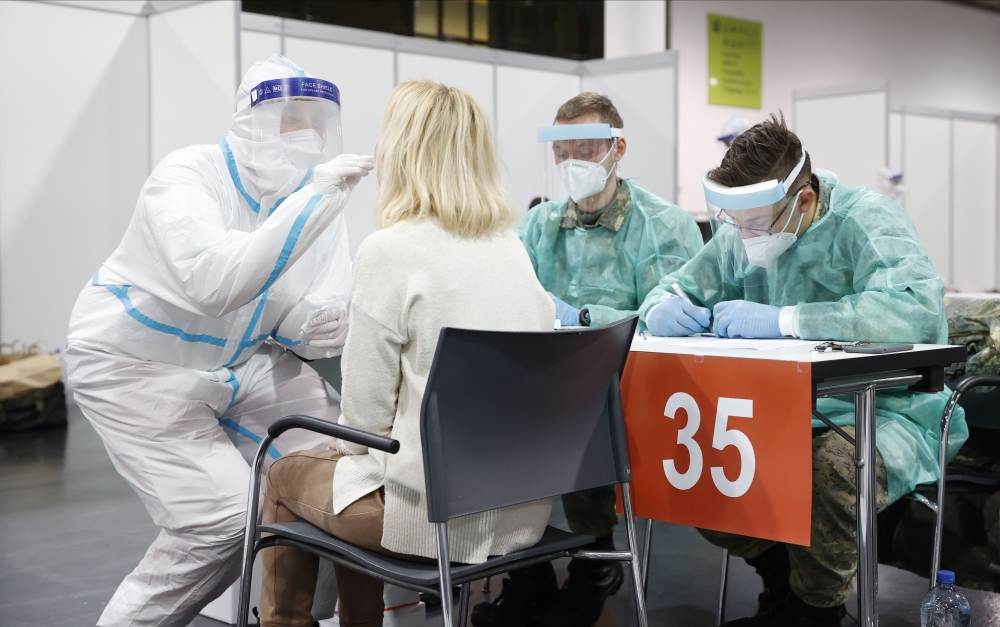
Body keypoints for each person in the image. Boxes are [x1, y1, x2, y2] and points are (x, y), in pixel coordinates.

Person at [63, 54, 374, 627]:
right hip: (134, 364)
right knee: (225, 523)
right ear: (251, 119)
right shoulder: (188, 175)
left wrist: (323, 324)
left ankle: (297, 618)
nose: (304, 133)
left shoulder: (317, 191)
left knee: (344, 485)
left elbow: (297, 316)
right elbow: (215, 284)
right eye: (289, 116)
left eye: (314, 119)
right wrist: (316, 200)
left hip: (242, 362)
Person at [641, 113, 969, 626]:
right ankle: (784, 582)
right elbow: (676, 285)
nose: (744, 237)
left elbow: (916, 313)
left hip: (888, 411)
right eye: (736, 223)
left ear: (805, 202)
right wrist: (660, 306)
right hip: (780, 410)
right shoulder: (742, 233)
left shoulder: (867, 221)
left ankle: (816, 612)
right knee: (693, 465)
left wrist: (787, 320)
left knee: (828, 468)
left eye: (756, 225)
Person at [258, 79, 556, 627]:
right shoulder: (511, 248)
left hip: (434, 523)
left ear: (402, 151)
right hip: (521, 515)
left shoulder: (390, 251)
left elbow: (365, 418)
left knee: (285, 476)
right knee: (358, 469)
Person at [472, 94, 703, 627]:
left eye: (586, 148)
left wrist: (579, 318)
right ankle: (523, 570)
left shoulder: (662, 226)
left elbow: (664, 317)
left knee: (577, 415)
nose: (572, 160)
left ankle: (594, 564)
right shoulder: (539, 225)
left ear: (617, 148)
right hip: (546, 381)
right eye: (562, 150)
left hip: (632, 387)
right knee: (482, 415)